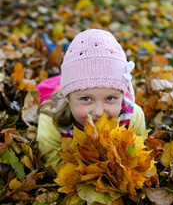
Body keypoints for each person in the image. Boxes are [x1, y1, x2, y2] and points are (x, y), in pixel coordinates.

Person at [37, 29, 146, 168]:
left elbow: (137, 159)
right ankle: (53, 46)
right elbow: (53, 165)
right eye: (86, 99)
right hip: (59, 84)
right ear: (68, 98)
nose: (99, 112)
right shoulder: (51, 120)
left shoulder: (133, 117)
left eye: (110, 98)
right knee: (52, 69)